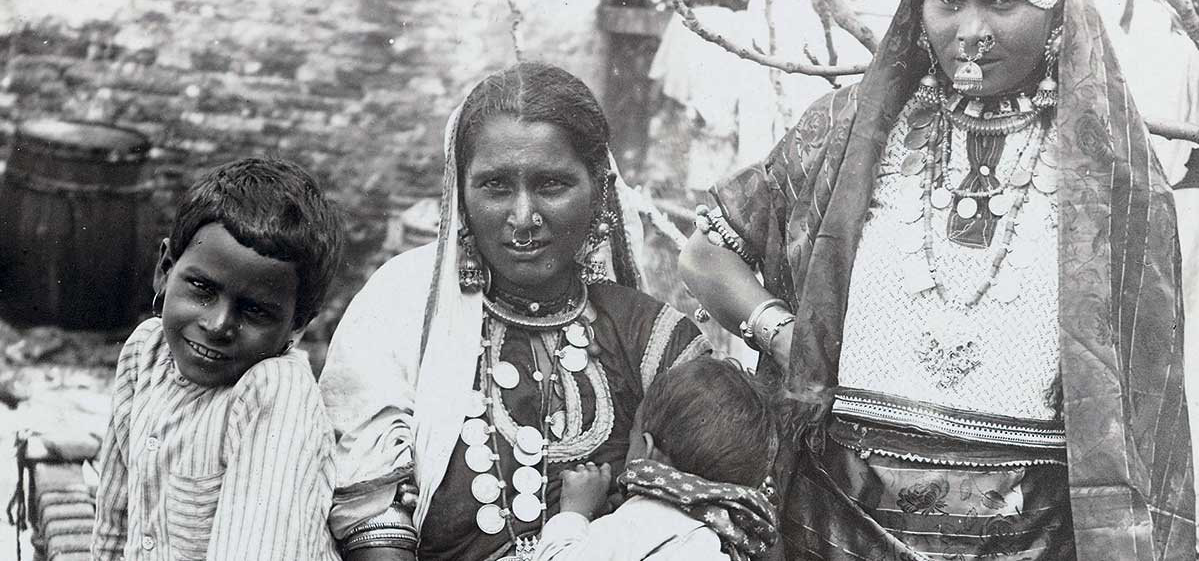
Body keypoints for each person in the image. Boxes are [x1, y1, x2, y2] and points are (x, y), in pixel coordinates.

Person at [679, 0, 1196, 559]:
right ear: (919, 4)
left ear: (1056, 6)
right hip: (831, 523)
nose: (971, 30)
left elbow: (1145, 401)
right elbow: (703, 255)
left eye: (1001, 1)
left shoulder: (1111, 172)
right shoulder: (847, 134)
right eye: (949, 0)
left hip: (1033, 537)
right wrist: (785, 335)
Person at [319, 62, 710, 560]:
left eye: (551, 185)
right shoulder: (402, 305)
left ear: (599, 190)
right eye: (495, 186)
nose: (523, 219)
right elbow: (366, 504)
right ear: (459, 191)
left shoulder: (655, 341)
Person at [90, 157, 345, 560]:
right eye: (202, 289)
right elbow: (114, 518)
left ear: (297, 325)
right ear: (165, 270)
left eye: (255, 311)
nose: (218, 324)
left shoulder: (275, 393)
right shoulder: (146, 351)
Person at [532, 357, 779, 561]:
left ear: (647, 449)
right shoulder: (731, 538)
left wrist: (575, 512)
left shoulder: (648, 518)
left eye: (632, 437)